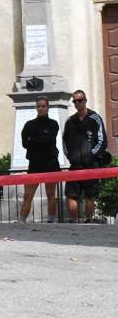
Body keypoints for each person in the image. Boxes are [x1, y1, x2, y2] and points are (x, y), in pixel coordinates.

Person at [62, 90, 107, 223]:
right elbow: (65, 142)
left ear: (85, 101)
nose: (77, 103)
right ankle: (74, 221)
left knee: (90, 195)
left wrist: (92, 155)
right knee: (70, 194)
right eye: (74, 101)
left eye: (79, 100)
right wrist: (70, 156)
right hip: (75, 164)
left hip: (90, 164)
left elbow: (102, 140)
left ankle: (88, 220)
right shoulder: (70, 121)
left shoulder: (95, 118)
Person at [18, 96, 60, 223]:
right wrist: (40, 139)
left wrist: (34, 139)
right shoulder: (29, 125)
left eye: (43, 106)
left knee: (51, 194)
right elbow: (25, 143)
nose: (41, 109)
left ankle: (51, 220)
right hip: (35, 163)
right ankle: (21, 220)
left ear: (48, 108)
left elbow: (49, 141)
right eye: (38, 106)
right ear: (36, 107)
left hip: (50, 163)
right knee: (27, 195)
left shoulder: (53, 124)